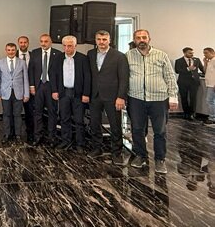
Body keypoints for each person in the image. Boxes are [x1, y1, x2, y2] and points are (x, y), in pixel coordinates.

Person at [126, 29, 179, 174]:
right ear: (134, 40)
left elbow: (170, 77)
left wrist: (173, 97)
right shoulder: (128, 56)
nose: (141, 40)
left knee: (160, 131)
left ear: (149, 39)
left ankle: (160, 159)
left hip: (159, 99)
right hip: (136, 98)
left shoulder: (161, 55)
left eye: (144, 37)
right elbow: (124, 77)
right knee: (137, 129)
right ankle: (140, 156)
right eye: (138, 38)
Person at [87, 30, 129, 163]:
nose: (101, 42)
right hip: (94, 95)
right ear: (95, 40)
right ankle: (97, 148)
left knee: (115, 125)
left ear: (109, 40)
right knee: (94, 124)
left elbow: (124, 78)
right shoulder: (90, 54)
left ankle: (116, 152)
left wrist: (121, 97)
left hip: (113, 96)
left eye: (104, 39)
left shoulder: (119, 56)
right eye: (99, 39)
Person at [54, 36, 91, 151]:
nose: (67, 48)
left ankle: (80, 144)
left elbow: (87, 77)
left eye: (69, 46)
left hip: (78, 94)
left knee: (79, 120)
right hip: (64, 92)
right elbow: (54, 75)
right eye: (64, 46)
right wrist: (55, 90)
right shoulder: (58, 58)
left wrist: (86, 93)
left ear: (75, 46)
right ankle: (66, 140)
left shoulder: (83, 58)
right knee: (64, 119)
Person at [28, 33, 61, 146]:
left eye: (46, 41)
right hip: (38, 86)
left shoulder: (58, 54)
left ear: (51, 42)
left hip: (52, 86)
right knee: (37, 112)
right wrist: (31, 85)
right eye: (41, 41)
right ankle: (37, 136)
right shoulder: (35, 53)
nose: (43, 43)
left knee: (52, 112)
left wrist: (57, 89)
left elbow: (59, 73)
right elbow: (31, 70)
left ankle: (51, 137)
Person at [0, 42, 29, 144]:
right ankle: (7, 134)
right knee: (6, 114)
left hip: (18, 93)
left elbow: (25, 79)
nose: (11, 52)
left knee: (17, 115)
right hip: (5, 93)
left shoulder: (22, 62)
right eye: (9, 50)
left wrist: (26, 94)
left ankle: (18, 135)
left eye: (13, 50)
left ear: (16, 50)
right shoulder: (0, 62)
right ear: (6, 50)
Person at [175, 47, 205, 120]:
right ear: (184, 53)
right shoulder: (178, 61)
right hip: (183, 82)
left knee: (193, 98)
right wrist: (188, 69)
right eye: (190, 53)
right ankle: (186, 113)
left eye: (192, 53)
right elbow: (177, 70)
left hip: (194, 82)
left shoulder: (196, 60)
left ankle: (192, 113)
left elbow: (202, 69)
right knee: (184, 98)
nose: (192, 54)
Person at [17, 36, 34, 138]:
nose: (23, 44)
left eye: (25, 42)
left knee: (30, 112)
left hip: (30, 88)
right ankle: (15, 133)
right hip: (17, 88)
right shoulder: (12, 54)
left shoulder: (34, 55)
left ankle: (30, 133)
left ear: (28, 43)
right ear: (18, 43)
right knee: (15, 112)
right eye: (21, 42)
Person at [204, 47, 215, 126]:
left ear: (212, 53)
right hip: (209, 84)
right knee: (211, 101)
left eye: (206, 53)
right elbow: (205, 71)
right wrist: (205, 63)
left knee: (209, 100)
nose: (204, 55)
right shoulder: (210, 61)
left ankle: (212, 118)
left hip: (213, 84)